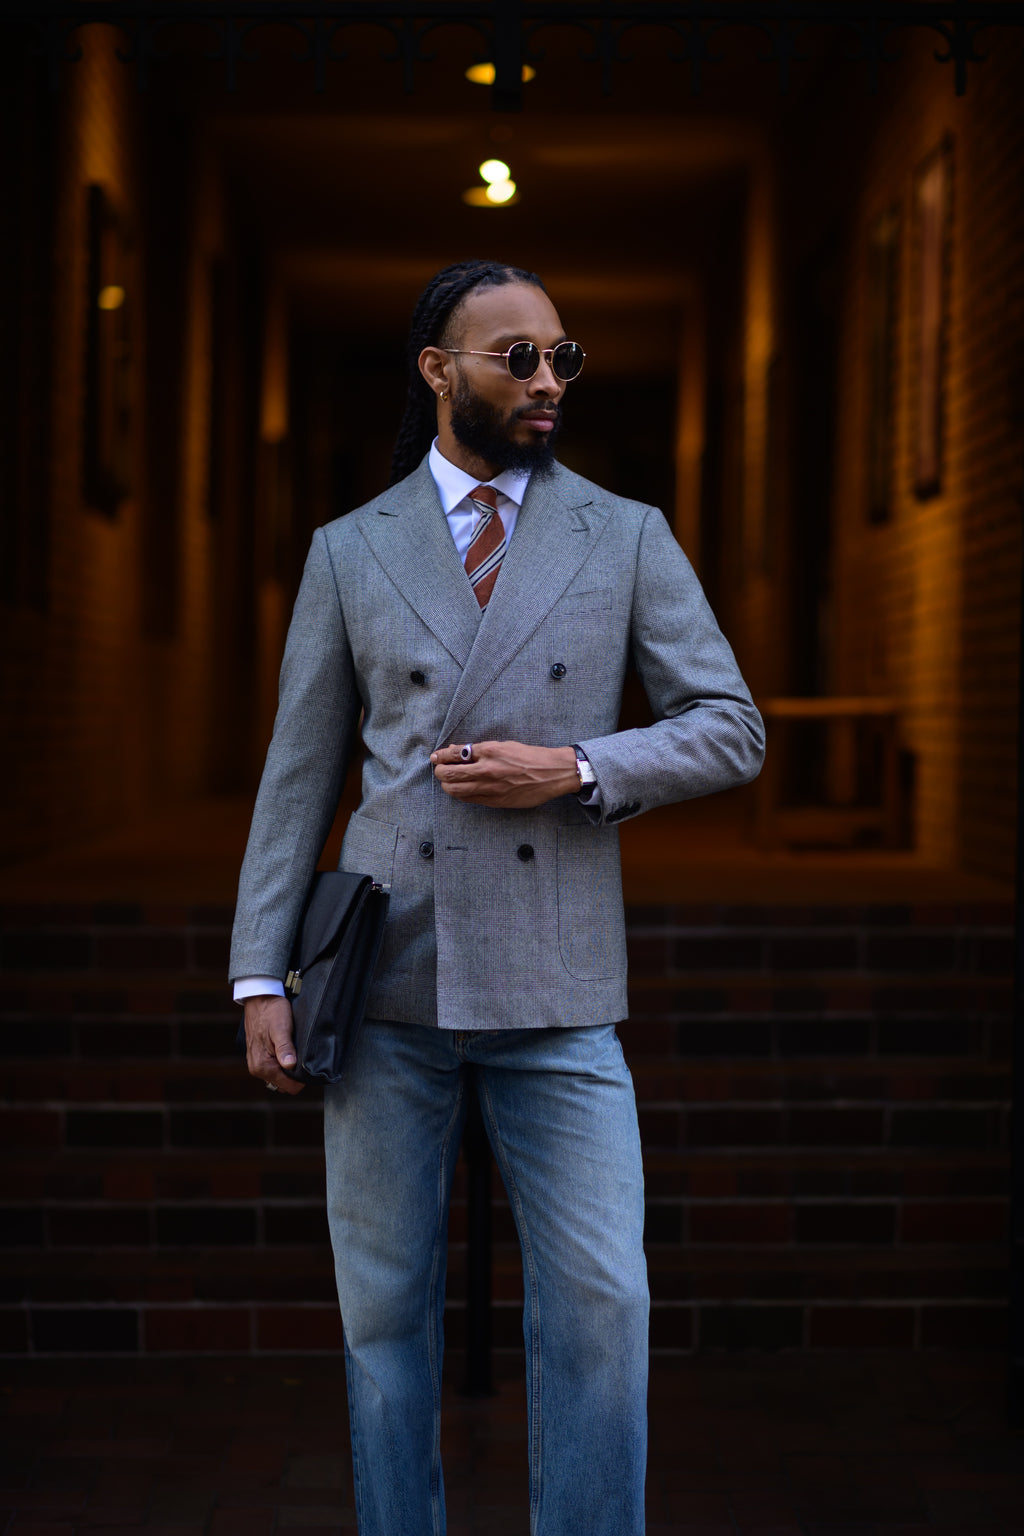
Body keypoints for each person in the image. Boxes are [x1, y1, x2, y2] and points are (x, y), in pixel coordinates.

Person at [229, 258, 764, 1536]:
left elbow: (730, 726)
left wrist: (578, 766)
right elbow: (299, 771)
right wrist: (261, 972)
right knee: (382, 1310)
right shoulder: (350, 549)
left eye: (561, 359)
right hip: (387, 972)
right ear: (438, 371)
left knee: (601, 1301)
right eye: (515, 357)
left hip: (558, 979)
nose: (545, 381)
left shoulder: (623, 532)